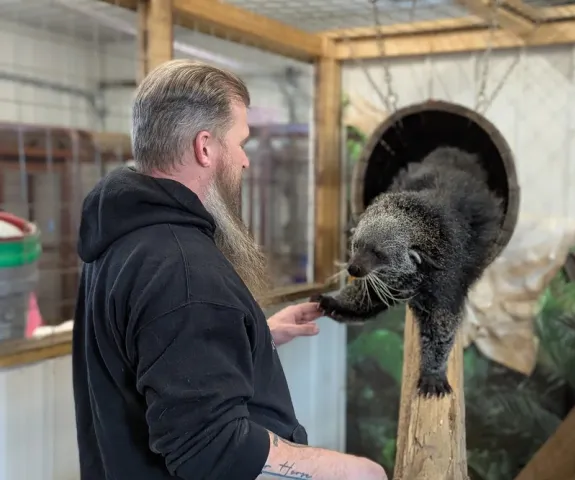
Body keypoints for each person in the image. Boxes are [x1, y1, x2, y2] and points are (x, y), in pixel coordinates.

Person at [72, 59, 388, 480]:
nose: (245, 161)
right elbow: (210, 447)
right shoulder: (183, 270)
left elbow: (156, 350)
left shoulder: (123, 238)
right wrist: (346, 469)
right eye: (241, 143)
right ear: (205, 148)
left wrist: (254, 334)